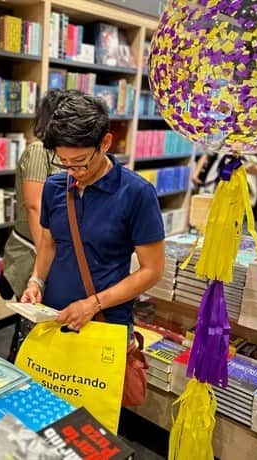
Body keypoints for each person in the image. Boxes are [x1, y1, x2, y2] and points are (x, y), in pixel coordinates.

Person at [22, 90, 165, 338]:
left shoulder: (136, 193)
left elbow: (152, 270)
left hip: (104, 321)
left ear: (106, 143)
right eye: (63, 161)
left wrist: (93, 304)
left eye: (80, 161)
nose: (73, 171)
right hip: (54, 316)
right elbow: (48, 245)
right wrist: (36, 282)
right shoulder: (55, 187)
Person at [1, 90, 63, 360]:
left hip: (46, 249)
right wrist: (45, 260)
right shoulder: (40, 151)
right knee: (30, 321)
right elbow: (35, 205)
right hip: (33, 250)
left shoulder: (61, 153)